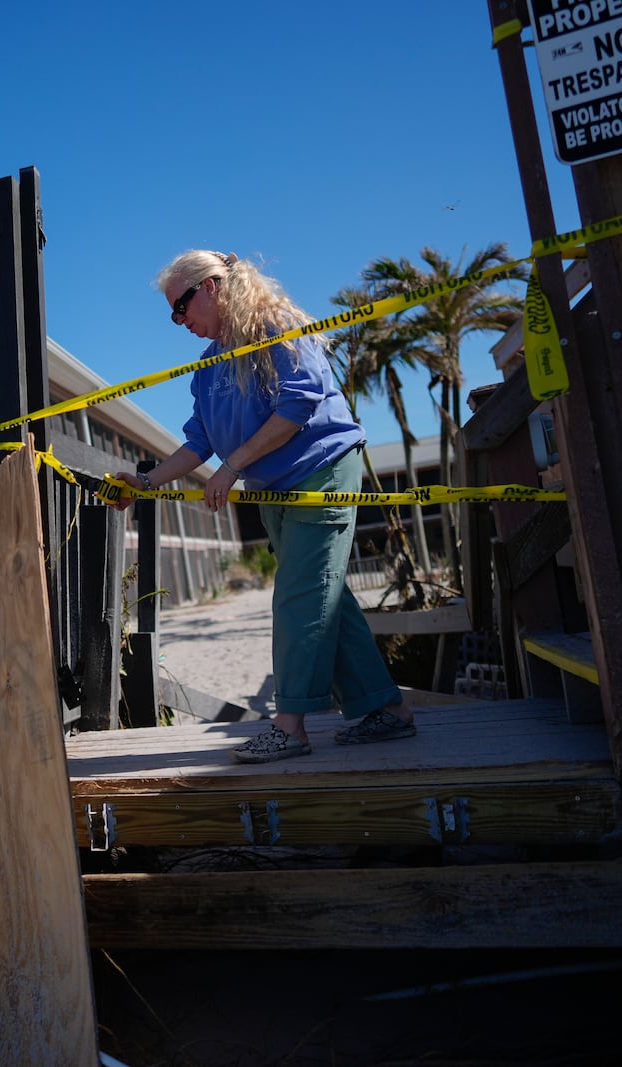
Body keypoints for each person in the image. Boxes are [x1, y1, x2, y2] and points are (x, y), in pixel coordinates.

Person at [110, 249, 415, 763]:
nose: (180, 321)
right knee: (325, 594)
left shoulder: (275, 325)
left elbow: (300, 403)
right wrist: (144, 480)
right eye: (173, 314)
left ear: (209, 287)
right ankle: (384, 710)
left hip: (322, 471)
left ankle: (291, 726)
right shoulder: (209, 366)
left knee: (299, 595)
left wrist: (232, 468)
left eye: (181, 307)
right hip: (273, 488)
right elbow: (198, 441)